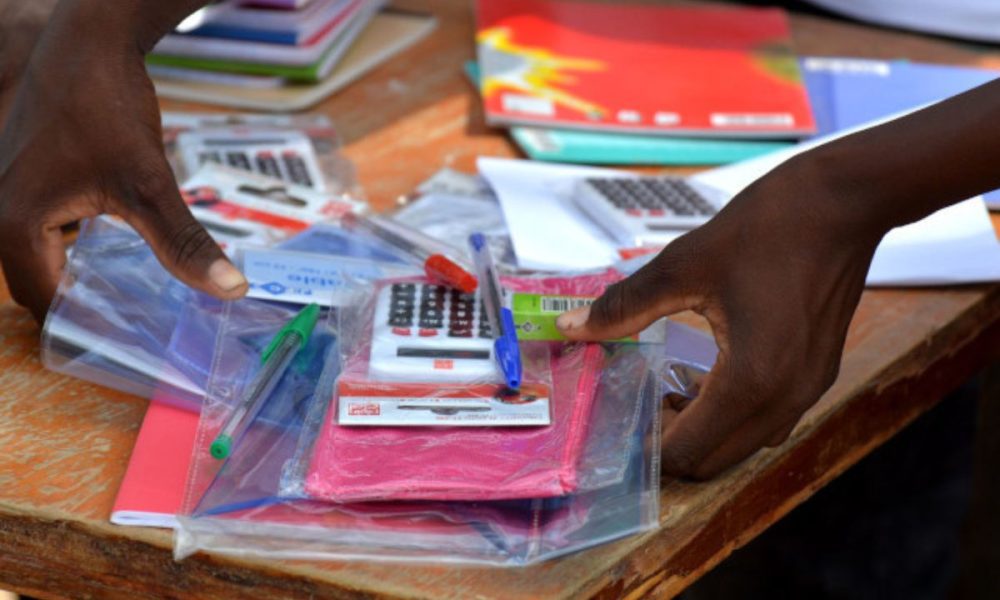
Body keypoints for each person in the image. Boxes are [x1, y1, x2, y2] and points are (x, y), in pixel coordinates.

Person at [0, 0, 996, 483]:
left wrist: (861, 188)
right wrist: (100, 21)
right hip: (603, 43)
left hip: (944, 61)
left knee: (872, 473)